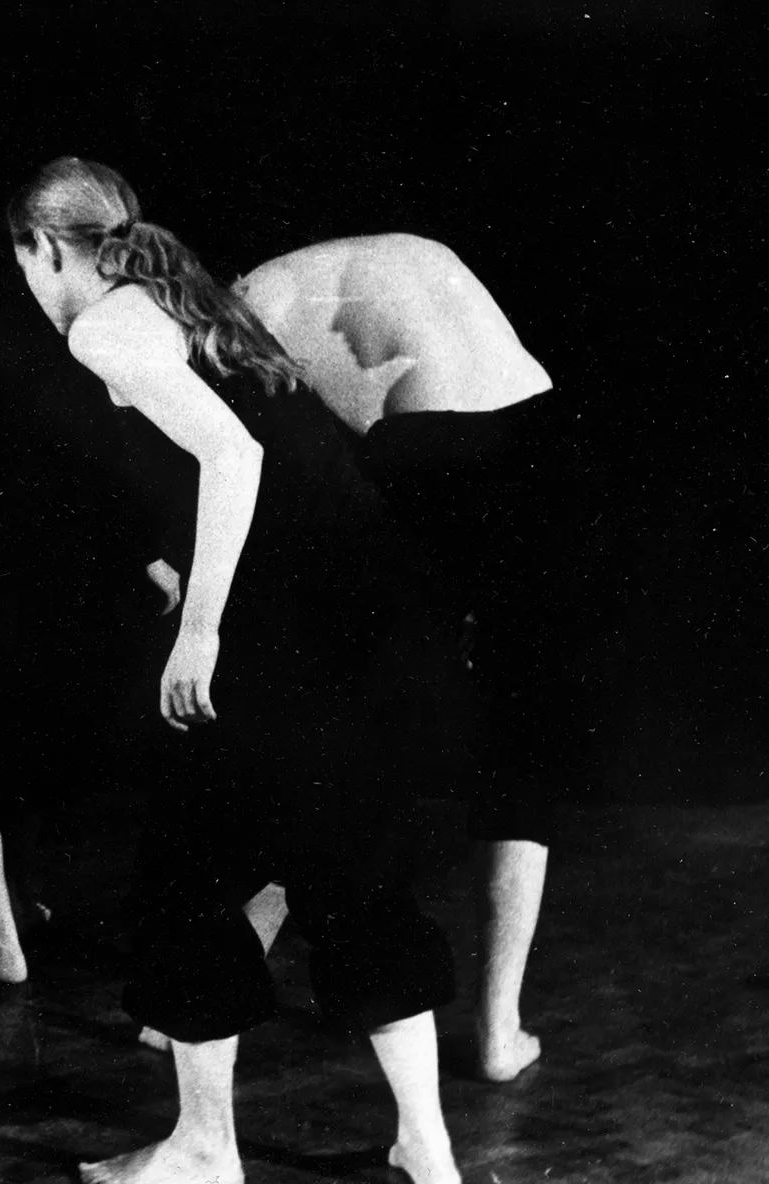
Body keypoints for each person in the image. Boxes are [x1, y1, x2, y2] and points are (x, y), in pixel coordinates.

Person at [8, 158, 462, 1184]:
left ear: (43, 249)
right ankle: (427, 1148)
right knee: (350, 872)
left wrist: (202, 627)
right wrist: (187, 567)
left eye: (22, 260)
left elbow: (234, 457)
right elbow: (277, 461)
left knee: (185, 876)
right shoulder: (187, 296)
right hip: (362, 623)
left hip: (287, 631)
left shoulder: (103, 326)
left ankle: (207, 1147)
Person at [231, 234, 575, 1082]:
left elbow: (264, 466)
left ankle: (216, 985)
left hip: (434, 444)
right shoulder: (360, 264)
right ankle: (499, 1032)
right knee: (519, 752)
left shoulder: (251, 308)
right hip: (547, 439)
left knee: (337, 730)